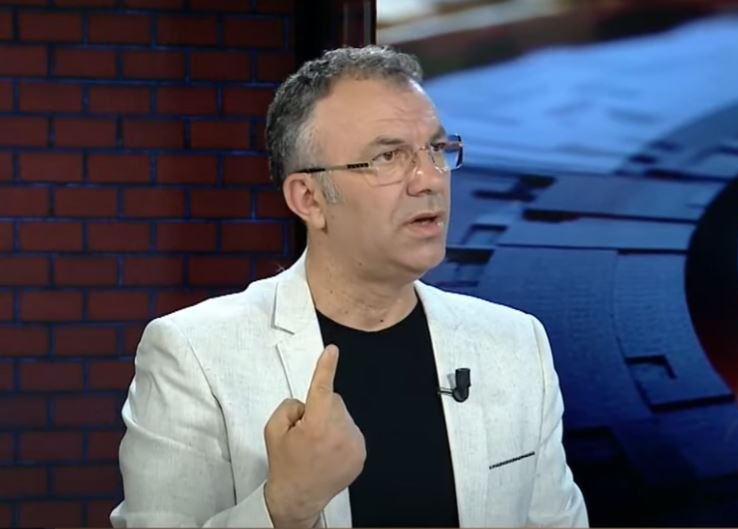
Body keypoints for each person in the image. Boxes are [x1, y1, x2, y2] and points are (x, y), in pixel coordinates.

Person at [111, 45, 588, 528]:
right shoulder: (195, 355)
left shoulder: (516, 344)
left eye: (437, 149)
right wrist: (285, 505)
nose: (429, 179)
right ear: (309, 199)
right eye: (388, 157)